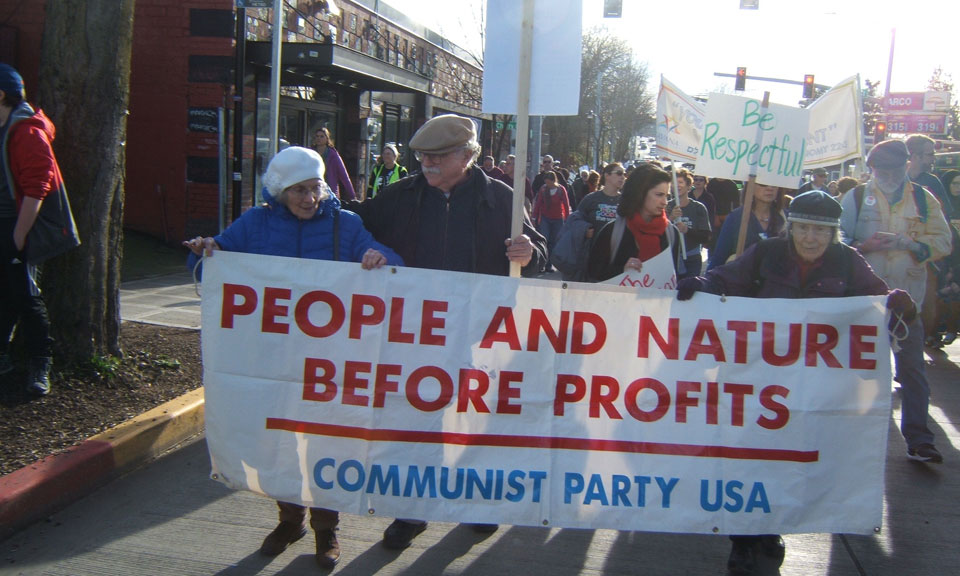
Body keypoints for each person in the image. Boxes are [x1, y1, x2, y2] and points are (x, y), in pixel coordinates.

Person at [676, 190, 917, 576]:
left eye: (820, 231)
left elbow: (876, 302)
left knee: (787, 468)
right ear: (791, 227)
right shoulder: (767, 253)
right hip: (757, 387)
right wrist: (701, 285)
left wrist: (896, 304)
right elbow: (726, 279)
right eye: (803, 228)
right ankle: (746, 545)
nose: (810, 238)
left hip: (813, 391)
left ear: (834, 233)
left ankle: (769, 539)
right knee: (750, 463)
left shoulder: (847, 261)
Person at [183, 146, 401, 569]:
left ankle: (326, 529)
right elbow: (216, 262)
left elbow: (393, 261)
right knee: (276, 443)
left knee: (325, 443)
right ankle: (289, 520)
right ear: (279, 191)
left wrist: (380, 259)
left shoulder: (346, 225)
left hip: (328, 360)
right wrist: (203, 250)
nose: (308, 198)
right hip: (273, 359)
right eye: (298, 190)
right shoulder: (254, 224)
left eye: (315, 187)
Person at [344, 114, 546, 549]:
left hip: (482, 333)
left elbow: (537, 250)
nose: (427, 165)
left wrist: (531, 253)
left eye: (437, 157)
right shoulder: (399, 196)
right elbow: (352, 228)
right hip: (419, 335)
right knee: (419, 421)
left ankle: (479, 504)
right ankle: (412, 512)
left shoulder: (502, 199)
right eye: (422, 157)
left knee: (477, 421)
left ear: (468, 157)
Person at [839, 139, 951, 463]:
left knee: (913, 371)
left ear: (906, 166)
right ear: (872, 169)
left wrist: (910, 243)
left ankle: (919, 439)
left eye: (894, 169)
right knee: (859, 374)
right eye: (881, 170)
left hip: (907, 303)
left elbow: (944, 241)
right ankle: (855, 442)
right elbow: (836, 240)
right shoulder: (856, 197)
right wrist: (864, 244)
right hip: (864, 303)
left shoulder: (923, 200)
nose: (888, 175)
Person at [0, 63, 77, 396]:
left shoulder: (26, 132)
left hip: (18, 225)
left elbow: (37, 188)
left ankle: (40, 364)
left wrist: (17, 240)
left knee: (24, 295)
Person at [586, 163, 684, 281]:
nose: (665, 202)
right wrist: (622, 271)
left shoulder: (671, 233)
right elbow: (593, 273)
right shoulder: (612, 231)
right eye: (659, 195)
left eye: (667, 196)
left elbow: (673, 279)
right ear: (640, 193)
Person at [708, 183, 787, 270]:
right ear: (751, 187)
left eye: (774, 185)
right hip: (741, 279)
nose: (769, 188)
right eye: (763, 184)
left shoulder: (785, 218)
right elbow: (719, 257)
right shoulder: (736, 217)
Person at [667, 168, 711, 278]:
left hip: (692, 258)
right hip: (670, 258)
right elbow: (658, 232)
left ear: (688, 186)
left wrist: (687, 230)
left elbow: (705, 237)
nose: (677, 186)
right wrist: (670, 218)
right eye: (674, 182)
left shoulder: (698, 208)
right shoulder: (665, 206)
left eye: (680, 182)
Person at [531, 170, 571, 271]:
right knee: (545, 240)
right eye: (546, 182)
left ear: (554, 181)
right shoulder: (543, 190)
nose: (547, 184)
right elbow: (538, 203)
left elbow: (566, 206)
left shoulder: (561, 190)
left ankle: (549, 265)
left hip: (558, 219)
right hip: (545, 218)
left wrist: (567, 220)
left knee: (553, 242)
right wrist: (534, 217)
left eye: (549, 182)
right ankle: (541, 264)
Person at [906, 133, 951, 217]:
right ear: (915, 156)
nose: (934, 158)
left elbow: (945, 214)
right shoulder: (898, 180)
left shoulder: (932, 181)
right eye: (930, 154)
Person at [578, 162, 626, 239]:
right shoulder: (590, 199)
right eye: (619, 173)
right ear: (607, 175)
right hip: (593, 248)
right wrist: (584, 230)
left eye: (624, 174)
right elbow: (575, 221)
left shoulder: (626, 202)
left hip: (617, 249)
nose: (623, 177)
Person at [313, 127, 356, 201]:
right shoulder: (311, 153)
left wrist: (352, 196)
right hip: (313, 190)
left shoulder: (333, 155)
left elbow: (344, 176)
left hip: (329, 192)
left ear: (327, 138)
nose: (318, 138)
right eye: (317, 136)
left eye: (321, 136)